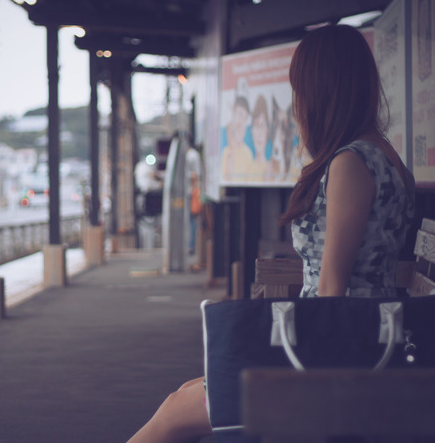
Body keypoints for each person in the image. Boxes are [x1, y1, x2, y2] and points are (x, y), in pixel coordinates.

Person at [126, 24, 415, 443]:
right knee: (185, 394)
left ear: (322, 90)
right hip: (366, 334)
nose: (297, 103)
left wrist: (308, 376)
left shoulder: (350, 163)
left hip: (338, 349)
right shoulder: (387, 156)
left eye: (299, 89)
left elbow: (333, 287)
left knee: (174, 412)